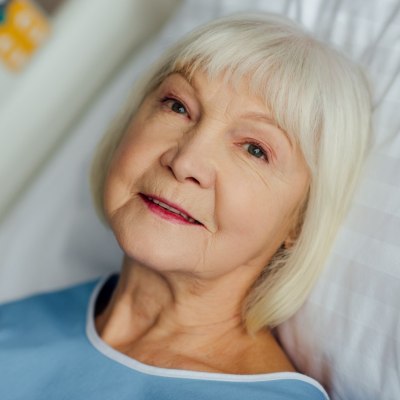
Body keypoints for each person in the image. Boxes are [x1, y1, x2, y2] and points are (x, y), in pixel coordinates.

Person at [0, 12, 371, 400]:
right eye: (177, 106)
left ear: (300, 219)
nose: (186, 161)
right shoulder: (18, 322)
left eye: (254, 149)